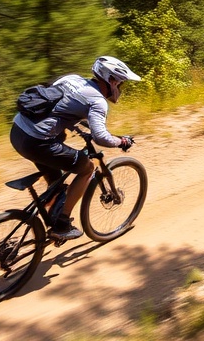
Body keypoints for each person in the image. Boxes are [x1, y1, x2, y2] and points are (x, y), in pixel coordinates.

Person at [10, 56, 140, 240]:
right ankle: (62, 224)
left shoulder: (71, 78)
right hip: (37, 142)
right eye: (120, 84)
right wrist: (121, 141)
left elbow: (57, 106)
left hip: (17, 132)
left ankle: (51, 206)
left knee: (56, 172)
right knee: (87, 169)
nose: (120, 89)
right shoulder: (98, 102)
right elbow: (101, 137)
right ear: (111, 81)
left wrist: (75, 124)